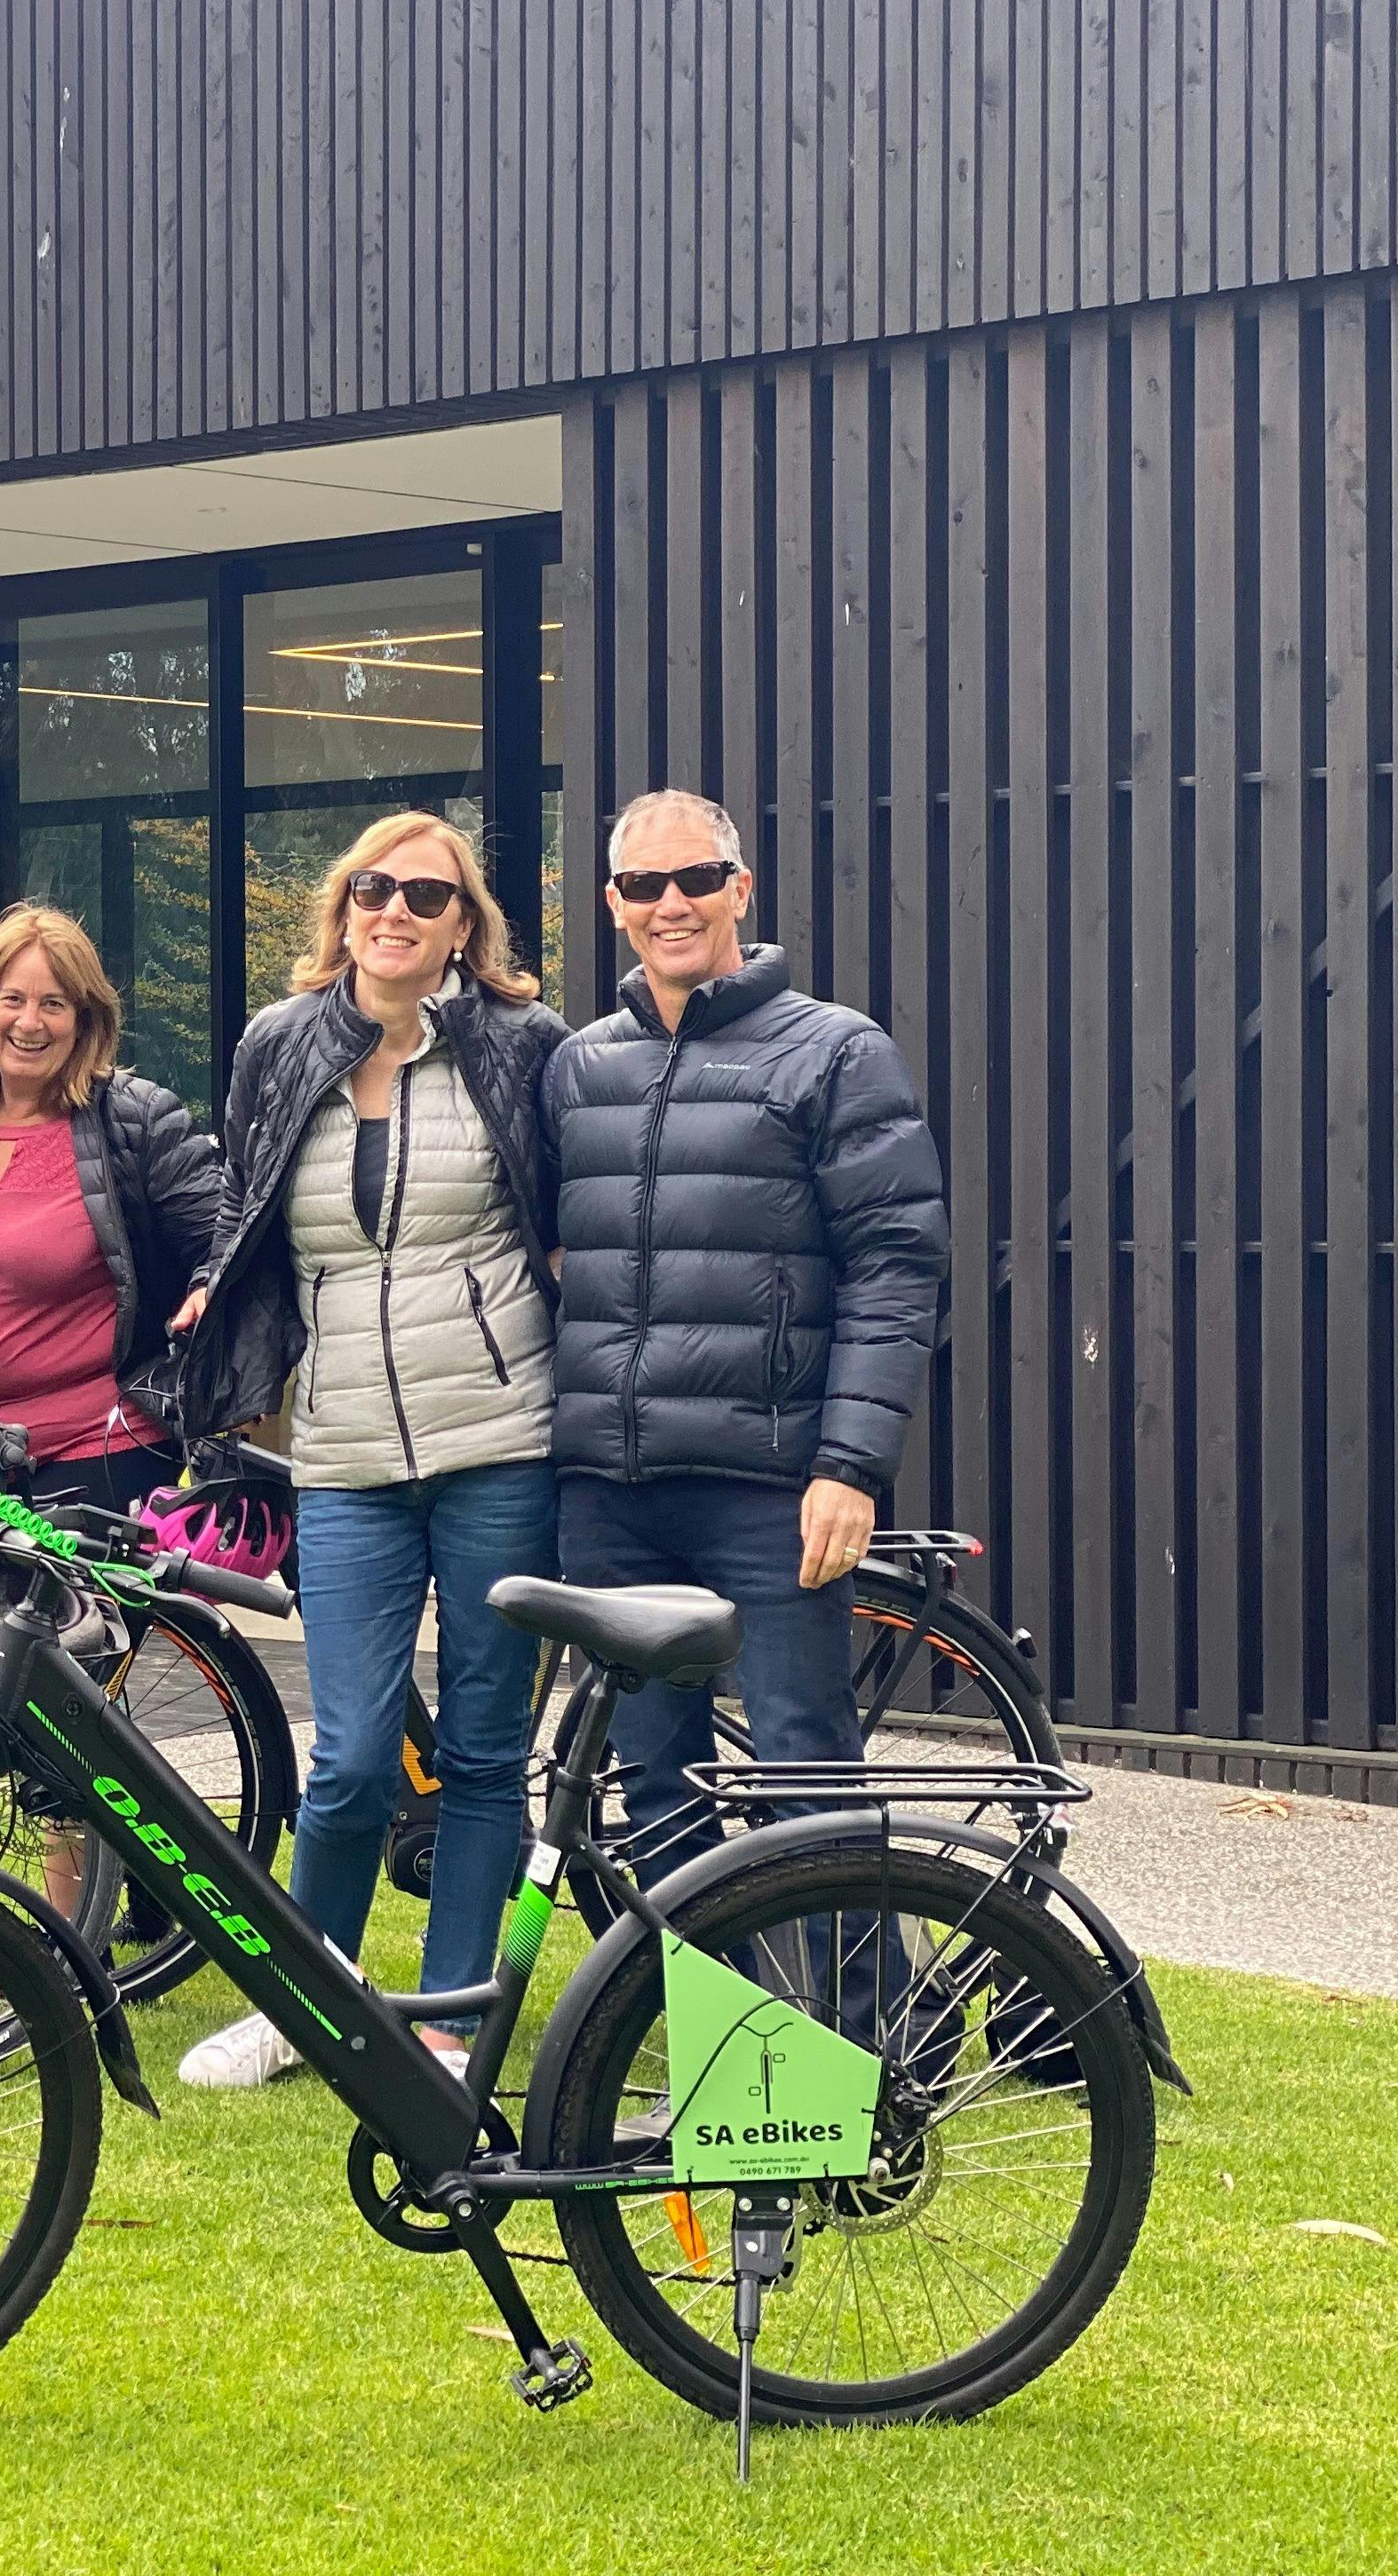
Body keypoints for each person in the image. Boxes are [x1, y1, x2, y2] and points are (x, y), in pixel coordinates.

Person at [166, 812, 567, 2091]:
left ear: (463, 928)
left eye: (427, 897)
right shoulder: (279, 1044)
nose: (396, 911)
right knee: (345, 1760)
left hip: (501, 1437)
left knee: (485, 1752)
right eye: (375, 889)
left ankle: (448, 2023)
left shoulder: (520, 1044)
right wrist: (217, 1301)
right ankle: (304, 2004)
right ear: (344, 908)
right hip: (342, 1448)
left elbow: (560, 1208)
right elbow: (246, 1207)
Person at [536, 789, 948, 2004]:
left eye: (696, 879)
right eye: (644, 886)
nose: (672, 904)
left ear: (740, 889)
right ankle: (732, 2047)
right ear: (613, 904)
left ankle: (875, 2049)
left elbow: (896, 1263)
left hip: (768, 1487)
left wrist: (850, 1466)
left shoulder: (836, 1051)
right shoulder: (579, 1067)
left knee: (805, 1774)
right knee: (654, 1791)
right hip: (612, 1492)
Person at [0, 902, 219, 1519]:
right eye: (13, 999)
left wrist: (207, 1287)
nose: (29, 1022)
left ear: (83, 1021)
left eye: (53, 1003)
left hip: (105, 1457)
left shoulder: (136, 1122)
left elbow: (224, 1239)